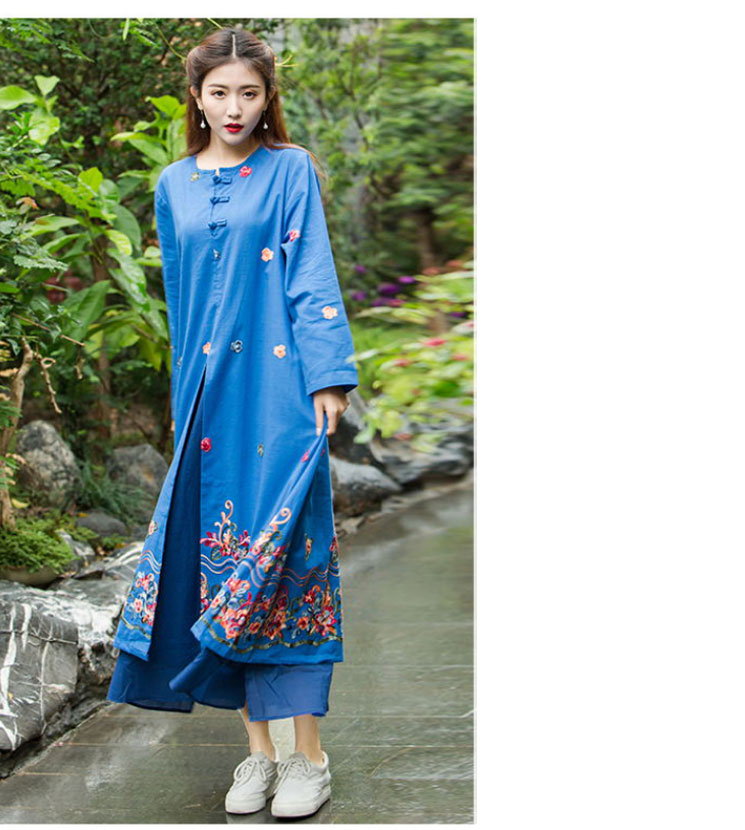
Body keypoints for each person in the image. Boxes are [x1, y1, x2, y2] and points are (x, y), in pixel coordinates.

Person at [106, 25, 359, 820]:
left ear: (267, 96)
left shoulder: (289, 170)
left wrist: (327, 377)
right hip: (206, 403)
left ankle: (308, 758)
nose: (235, 108)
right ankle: (260, 756)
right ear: (197, 97)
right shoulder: (173, 184)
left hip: (280, 394)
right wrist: (181, 401)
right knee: (221, 568)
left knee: (284, 555)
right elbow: (182, 303)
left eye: (249, 92)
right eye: (219, 92)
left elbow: (310, 270)